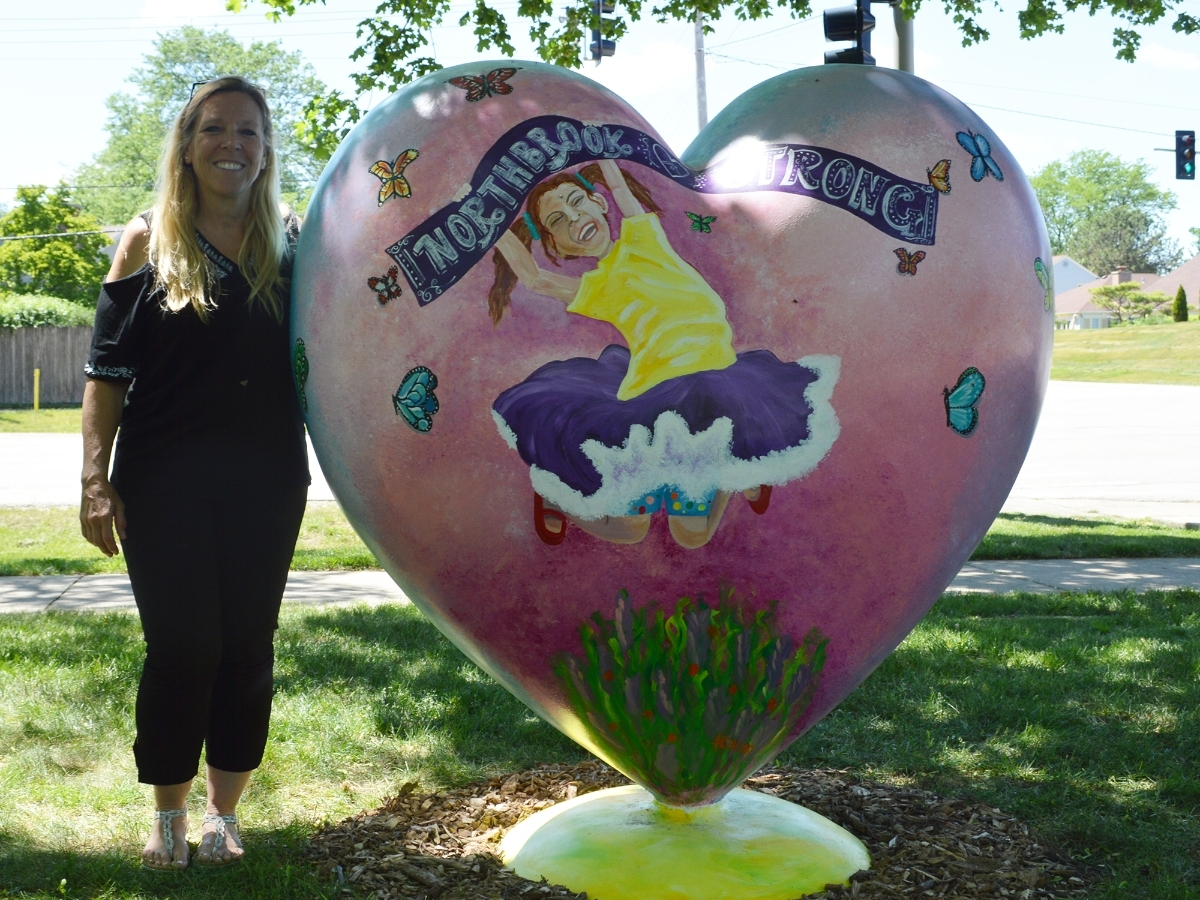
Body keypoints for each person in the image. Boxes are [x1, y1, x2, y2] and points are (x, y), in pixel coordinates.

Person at [79, 76, 309, 871]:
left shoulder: (293, 239)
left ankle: (224, 817)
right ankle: (167, 814)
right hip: (164, 475)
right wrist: (94, 479)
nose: (232, 145)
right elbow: (106, 371)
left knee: (247, 646)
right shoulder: (149, 240)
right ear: (186, 143)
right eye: (214, 129)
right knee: (184, 645)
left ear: (267, 148)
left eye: (249, 132)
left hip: (268, 477)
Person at [488, 158, 840, 549]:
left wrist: (604, 153)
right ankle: (557, 497)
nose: (573, 218)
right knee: (630, 529)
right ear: (557, 244)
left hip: (717, 387)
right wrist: (491, 224)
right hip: (656, 406)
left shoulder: (643, 238)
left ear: (599, 203)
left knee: (691, 535)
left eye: (577, 201)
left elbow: (622, 191)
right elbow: (535, 279)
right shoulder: (596, 288)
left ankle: (732, 471)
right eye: (557, 221)